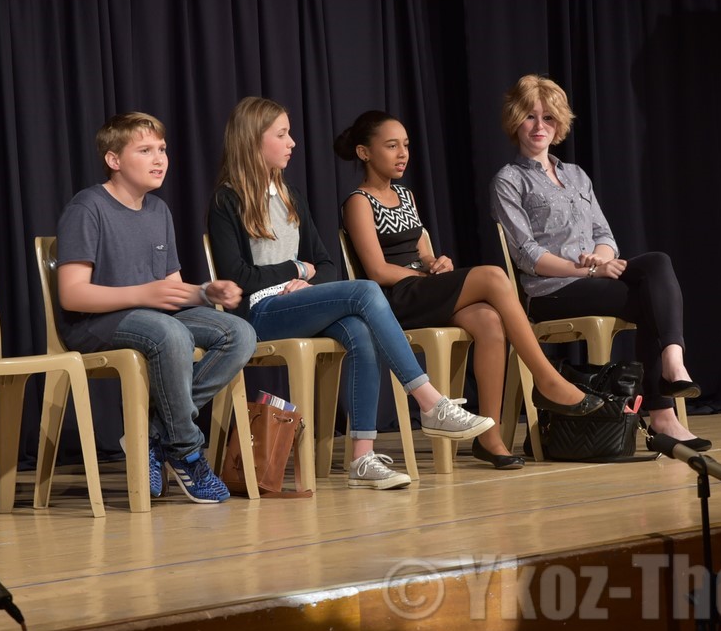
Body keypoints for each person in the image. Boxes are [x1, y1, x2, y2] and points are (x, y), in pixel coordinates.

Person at [207, 96, 493, 490]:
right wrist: (295, 269)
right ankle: (429, 402)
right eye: (282, 134)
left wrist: (308, 278)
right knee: (365, 291)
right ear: (254, 140)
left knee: (360, 329)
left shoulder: (290, 197)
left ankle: (361, 456)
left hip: (299, 302)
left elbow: (325, 265)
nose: (292, 143)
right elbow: (237, 277)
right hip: (260, 313)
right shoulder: (227, 199)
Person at [337, 111, 607, 471]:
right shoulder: (359, 201)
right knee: (494, 277)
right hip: (391, 301)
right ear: (364, 152)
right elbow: (378, 270)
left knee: (489, 321)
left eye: (406, 145)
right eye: (391, 146)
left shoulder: (405, 195)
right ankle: (546, 378)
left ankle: (489, 436)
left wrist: (437, 263)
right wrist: (424, 277)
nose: (402, 153)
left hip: (422, 288)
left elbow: (423, 253)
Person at [491, 74, 711, 451]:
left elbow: (604, 235)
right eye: (530, 117)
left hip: (596, 277)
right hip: (551, 292)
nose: (539, 126)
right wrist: (588, 269)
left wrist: (601, 258)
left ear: (559, 123)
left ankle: (673, 363)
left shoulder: (576, 175)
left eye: (548, 118)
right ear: (516, 121)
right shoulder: (509, 181)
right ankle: (663, 414)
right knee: (649, 300)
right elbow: (528, 256)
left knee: (657, 263)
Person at [56, 112, 257, 504]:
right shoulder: (88, 208)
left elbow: (171, 290)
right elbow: (73, 295)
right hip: (95, 325)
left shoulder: (158, 211)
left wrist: (204, 294)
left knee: (239, 333)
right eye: (145, 150)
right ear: (114, 160)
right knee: (170, 332)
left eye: (162, 149)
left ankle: (147, 432)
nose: (159, 158)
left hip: (153, 315)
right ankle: (186, 451)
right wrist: (144, 294)